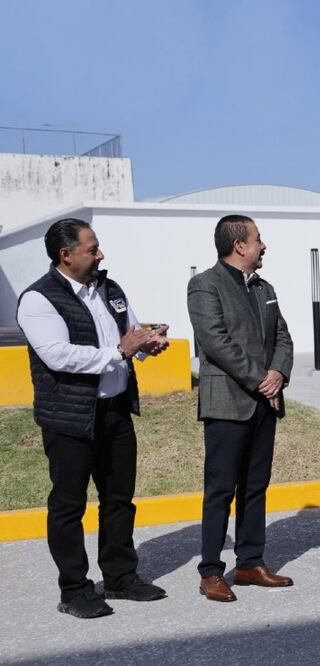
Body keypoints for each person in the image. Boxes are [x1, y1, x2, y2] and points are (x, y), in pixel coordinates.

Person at [16, 218, 169, 619]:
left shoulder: (110, 288)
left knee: (119, 500)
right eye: (92, 248)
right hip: (69, 419)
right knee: (68, 506)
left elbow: (129, 333)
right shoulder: (38, 299)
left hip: (116, 412)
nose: (100, 255)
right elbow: (58, 355)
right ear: (66, 255)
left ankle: (120, 578)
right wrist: (120, 351)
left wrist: (147, 344)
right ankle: (74, 590)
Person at [187, 215, 294, 602]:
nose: (263, 246)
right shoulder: (204, 286)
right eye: (258, 239)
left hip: (263, 404)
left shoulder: (264, 287)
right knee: (220, 490)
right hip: (228, 404)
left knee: (255, 487)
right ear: (239, 246)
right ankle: (211, 571)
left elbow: (283, 335)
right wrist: (260, 379)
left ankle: (250, 563)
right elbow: (214, 341)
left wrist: (279, 371)